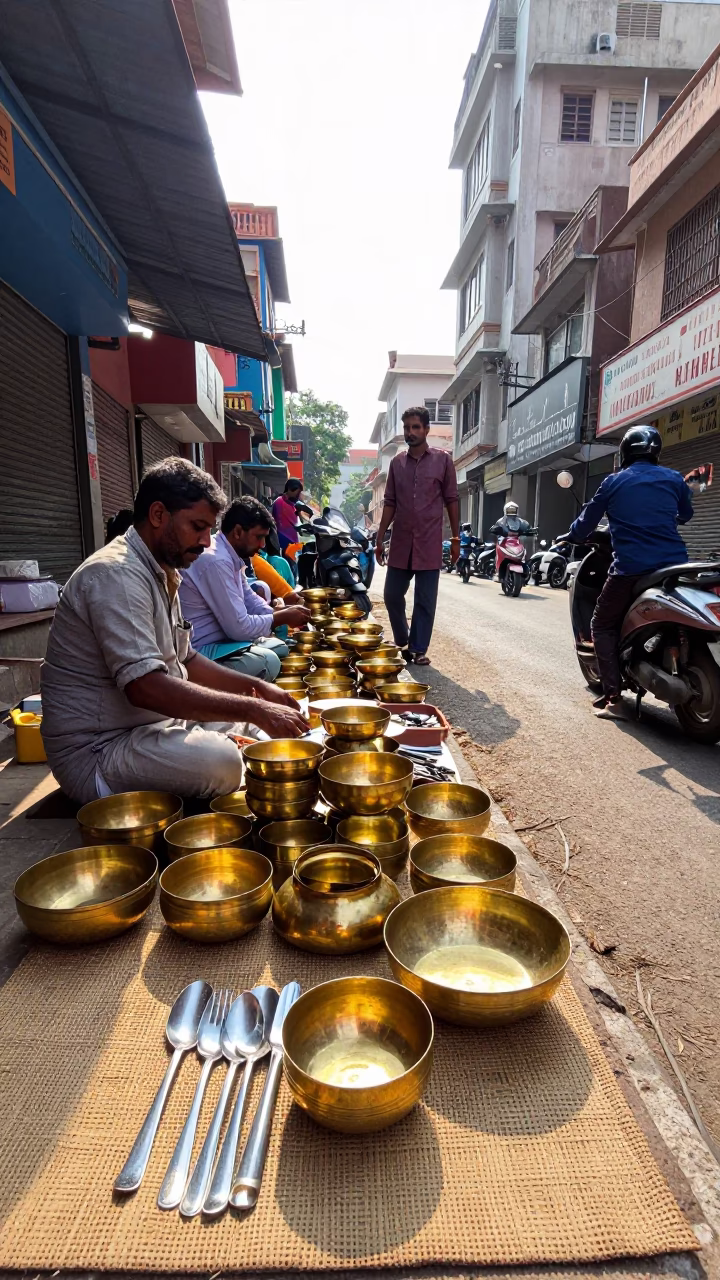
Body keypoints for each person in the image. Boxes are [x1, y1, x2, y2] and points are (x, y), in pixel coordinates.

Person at [41, 458, 308, 805]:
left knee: (263, 735)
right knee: (224, 762)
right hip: (99, 753)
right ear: (157, 515)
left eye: (209, 529)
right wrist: (252, 707)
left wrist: (257, 690)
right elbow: (145, 688)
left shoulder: (161, 570)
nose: (205, 540)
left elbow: (187, 658)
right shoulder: (116, 575)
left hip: (155, 727)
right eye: (197, 527)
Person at [568, 424, 694, 720]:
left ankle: (613, 697)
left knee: (600, 625)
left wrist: (573, 535)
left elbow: (585, 523)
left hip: (631, 569)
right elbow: (686, 515)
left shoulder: (614, 482)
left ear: (625, 451)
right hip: (675, 566)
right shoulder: (675, 479)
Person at [179, 497, 311, 681]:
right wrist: (280, 617)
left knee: (280, 647)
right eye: (259, 537)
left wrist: (280, 612)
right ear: (238, 532)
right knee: (269, 662)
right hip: (201, 651)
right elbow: (238, 628)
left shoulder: (230, 555)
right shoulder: (217, 560)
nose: (263, 545)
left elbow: (249, 598)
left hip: (224, 642)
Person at [375, 405, 459, 665]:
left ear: (426, 429)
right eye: (407, 428)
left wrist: (456, 539)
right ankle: (403, 638)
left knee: (425, 600)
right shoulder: (396, 463)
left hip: (429, 542)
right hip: (401, 541)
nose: (410, 432)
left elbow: (452, 500)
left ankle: (418, 648)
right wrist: (379, 539)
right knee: (391, 594)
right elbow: (389, 502)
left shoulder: (443, 460)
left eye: (415, 427)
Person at [272, 478, 303, 557]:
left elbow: (301, 523)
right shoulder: (279, 502)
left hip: (294, 542)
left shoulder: (295, 505)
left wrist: (299, 512)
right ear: (290, 489)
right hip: (282, 541)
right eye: (297, 492)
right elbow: (276, 522)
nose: (298, 495)